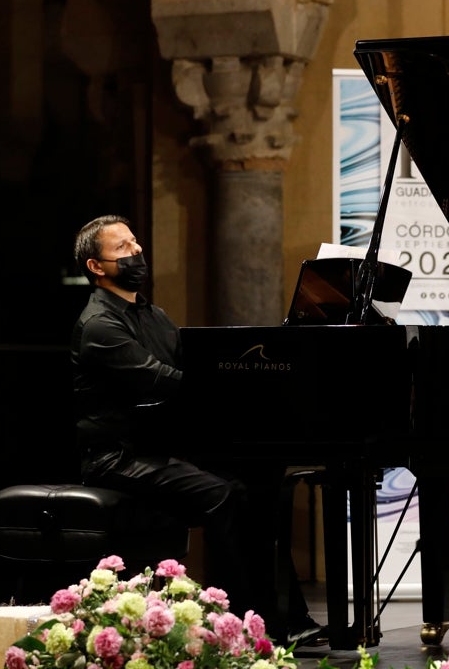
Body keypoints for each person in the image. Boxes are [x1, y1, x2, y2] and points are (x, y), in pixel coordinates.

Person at [70, 214, 326, 646]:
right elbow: (162, 379)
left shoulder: (155, 316)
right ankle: (237, 622)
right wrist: (224, 387)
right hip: (117, 457)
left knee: (261, 480)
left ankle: (286, 619)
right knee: (224, 494)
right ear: (96, 266)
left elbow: (193, 369)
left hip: (158, 446)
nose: (135, 252)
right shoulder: (100, 325)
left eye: (135, 243)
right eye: (122, 248)